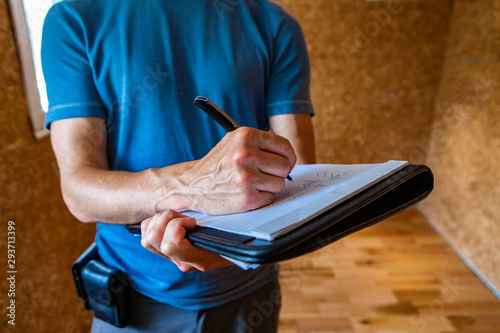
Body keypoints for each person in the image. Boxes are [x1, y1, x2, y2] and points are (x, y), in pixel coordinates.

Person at [42, 0, 316, 331]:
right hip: (133, 301)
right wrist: (188, 186)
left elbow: (300, 178)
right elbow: (78, 191)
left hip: (249, 292)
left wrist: (232, 250)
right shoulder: (73, 19)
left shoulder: (275, 25)